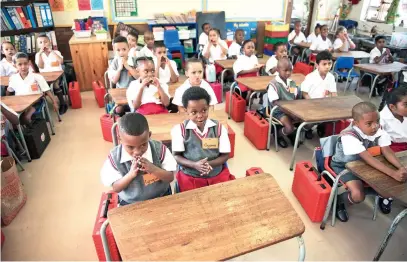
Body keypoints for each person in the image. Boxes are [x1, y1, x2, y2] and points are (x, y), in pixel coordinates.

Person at [330, 102, 407, 222]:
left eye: (377, 121)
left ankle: (371, 191)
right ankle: (339, 200)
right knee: (358, 195)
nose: (375, 126)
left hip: (364, 165)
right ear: (356, 123)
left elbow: (386, 150)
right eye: (369, 123)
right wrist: (393, 173)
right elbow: (367, 158)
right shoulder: (349, 136)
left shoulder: (378, 129)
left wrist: (401, 168)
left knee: (387, 193)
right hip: (345, 167)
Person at [100, 113, 176, 206]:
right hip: (130, 203)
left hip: (162, 197)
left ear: (149, 135)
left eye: (143, 145)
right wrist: (131, 175)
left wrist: (153, 169)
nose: (137, 152)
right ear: (120, 139)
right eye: (130, 147)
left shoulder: (160, 149)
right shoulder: (115, 157)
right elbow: (116, 188)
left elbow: (170, 177)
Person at [171, 87, 234, 192]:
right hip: (191, 176)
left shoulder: (218, 128)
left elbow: (225, 155)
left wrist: (209, 164)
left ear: (209, 107)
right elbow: (177, 156)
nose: (200, 116)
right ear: (186, 111)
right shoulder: (180, 130)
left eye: (204, 110)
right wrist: (194, 165)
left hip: (216, 174)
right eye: (194, 112)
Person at [7, 52, 59, 124]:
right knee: (13, 119)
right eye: (20, 64)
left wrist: (54, 102)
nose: (23, 67)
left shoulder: (37, 77)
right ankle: (25, 131)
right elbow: (9, 91)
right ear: (14, 65)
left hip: (36, 102)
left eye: (25, 63)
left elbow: (47, 90)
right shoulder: (13, 78)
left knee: (26, 117)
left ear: (29, 63)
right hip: (20, 103)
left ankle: (31, 132)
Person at [267, 57, 299, 146]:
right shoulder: (273, 84)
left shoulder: (291, 83)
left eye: (290, 70)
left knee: (303, 121)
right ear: (278, 70)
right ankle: (279, 134)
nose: (288, 73)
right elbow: (276, 103)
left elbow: (293, 97)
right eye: (285, 70)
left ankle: (291, 133)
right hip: (278, 111)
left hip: (291, 109)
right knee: (289, 127)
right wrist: (290, 113)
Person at [35, 33, 67, 114]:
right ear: (38, 45)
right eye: (41, 43)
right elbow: (41, 67)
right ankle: (41, 107)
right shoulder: (38, 55)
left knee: (55, 84)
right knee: (39, 86)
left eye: (45, 42)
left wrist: (52, 52)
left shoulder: (56, 52)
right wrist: (40, 55)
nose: (43, 44)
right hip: (44, 76)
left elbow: (61, 61)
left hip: (57, 75)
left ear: (49, 42)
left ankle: (63, 104)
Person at [380, 88, 407, 152]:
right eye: (406, 105)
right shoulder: (381, 119)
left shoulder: (403, 113)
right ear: (392, 107)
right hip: (394, 150)